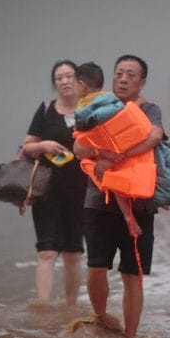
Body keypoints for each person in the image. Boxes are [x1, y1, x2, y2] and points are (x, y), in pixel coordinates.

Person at [73, 54, 165, 338]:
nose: (124, 79)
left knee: (132, 274)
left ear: (142, 81)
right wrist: (103, 152)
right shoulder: (99, 106)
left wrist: (117, 156)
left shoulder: (150, 110)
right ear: (112, 77)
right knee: (96, 267)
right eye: (119, 73)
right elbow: (78, 149)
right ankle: (100, 318)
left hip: (139, 201)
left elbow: (154, 136)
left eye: (131, 75)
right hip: (99, 200)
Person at [18, 60, 88, 306]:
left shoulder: (89, 109)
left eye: (69, 76)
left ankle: (70, 307)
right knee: (46, 251)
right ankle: (43, 307)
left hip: (80, 191)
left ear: (79, 80)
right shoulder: (46, 109)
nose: (65, 81)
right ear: (54, 83)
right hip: (47, 190)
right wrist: (43, 145)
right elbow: (25, 147)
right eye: (59, 78)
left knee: (73, 252)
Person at [72, 62, 141, 237]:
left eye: (74, 84)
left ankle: (127, 215)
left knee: (110, 180)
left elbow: (79, 142)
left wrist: (100, 151)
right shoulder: (110, 98)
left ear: (82, 85)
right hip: (123, 144)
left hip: (105, 148)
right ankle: (128, 214)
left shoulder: (83, 106)